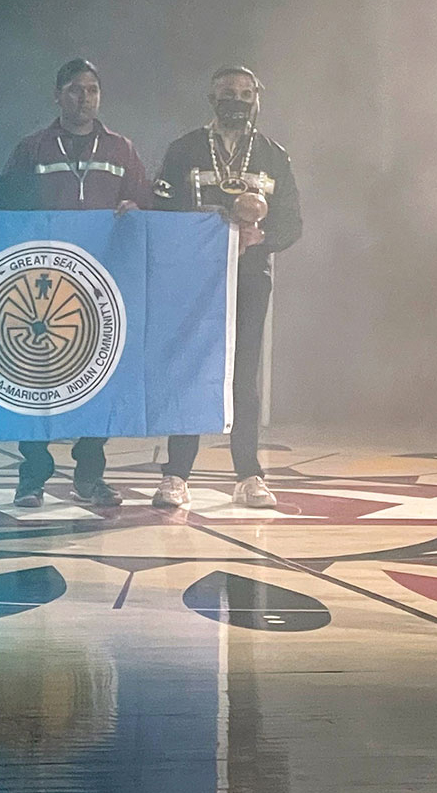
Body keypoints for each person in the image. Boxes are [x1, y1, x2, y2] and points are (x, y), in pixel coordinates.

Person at [0, 58, 151, 508]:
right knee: (34, 376)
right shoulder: (34, 147)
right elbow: (5, 203)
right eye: (74, 90)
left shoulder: (121, 148)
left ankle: (90, 474)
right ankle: (32, 476)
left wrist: (135, 209)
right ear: (57, 96)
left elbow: (144, 203)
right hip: (42, 284)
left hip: (102, 283)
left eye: (92, 90)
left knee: (97, 375)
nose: (84, 98)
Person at [151, 65, 302, 509]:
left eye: (244, 93)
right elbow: (158, 210)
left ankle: (248, 474)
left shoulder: (275, 156)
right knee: (190, 369)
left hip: (251, 278)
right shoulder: (185, 149)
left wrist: (263, 237)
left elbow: (293, 222)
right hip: (194, 281)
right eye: (226, 94)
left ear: (258, 98)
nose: (235, 101)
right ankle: (176, 475)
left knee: (244, 374)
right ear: (211, 98)